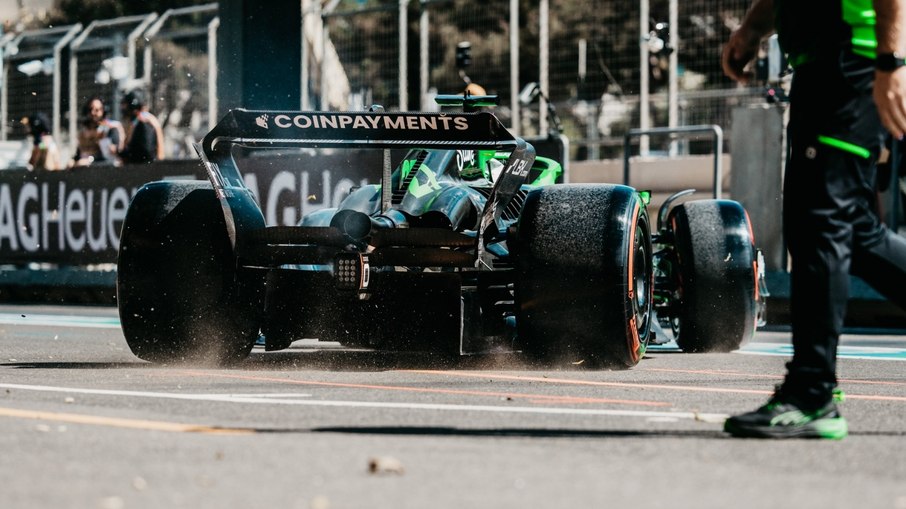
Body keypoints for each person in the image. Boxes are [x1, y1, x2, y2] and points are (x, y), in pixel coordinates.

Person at [722, 0, 906, 439]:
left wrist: (890, 62)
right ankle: (814, 386)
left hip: (852, 67)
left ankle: (811, 392)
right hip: (825, 67)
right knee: (854, 232)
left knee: (821, 223)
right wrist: (751, 30)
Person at [72, 96, 125, 167]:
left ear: (103, 111)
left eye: (96, 110)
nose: (93, 113)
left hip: (105, 167)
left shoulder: (110, 128)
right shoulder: (83, 131)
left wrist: (90, 160)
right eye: (90, 109)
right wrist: (73, 161)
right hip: (85, 166)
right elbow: (79, 152)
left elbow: (110, 155)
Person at [119, 89, 164, 165]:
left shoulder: (144, 122)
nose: (124, 109)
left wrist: (122, 153)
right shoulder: (140, 121)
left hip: (144, 169)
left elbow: (144, 152)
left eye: (126, 105)